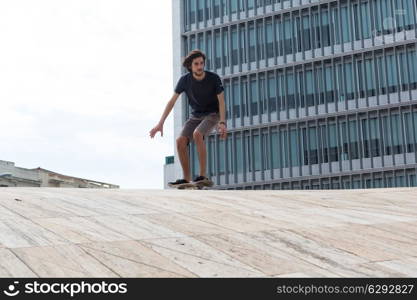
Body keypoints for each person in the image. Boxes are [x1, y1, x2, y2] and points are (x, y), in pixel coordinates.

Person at [149, 49, 227, 187]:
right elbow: (172, 101)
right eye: (196, 64)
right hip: (196, 115)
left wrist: (222, 122)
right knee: (180, 141)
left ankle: (202, 176)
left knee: (198, 134)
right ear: (190, 66)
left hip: (213, 114)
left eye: (201, 63)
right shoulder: (184, 80)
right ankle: (186, 178)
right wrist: (160, 123)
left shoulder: (213, 78)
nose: (200, 67)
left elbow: (221, 101)